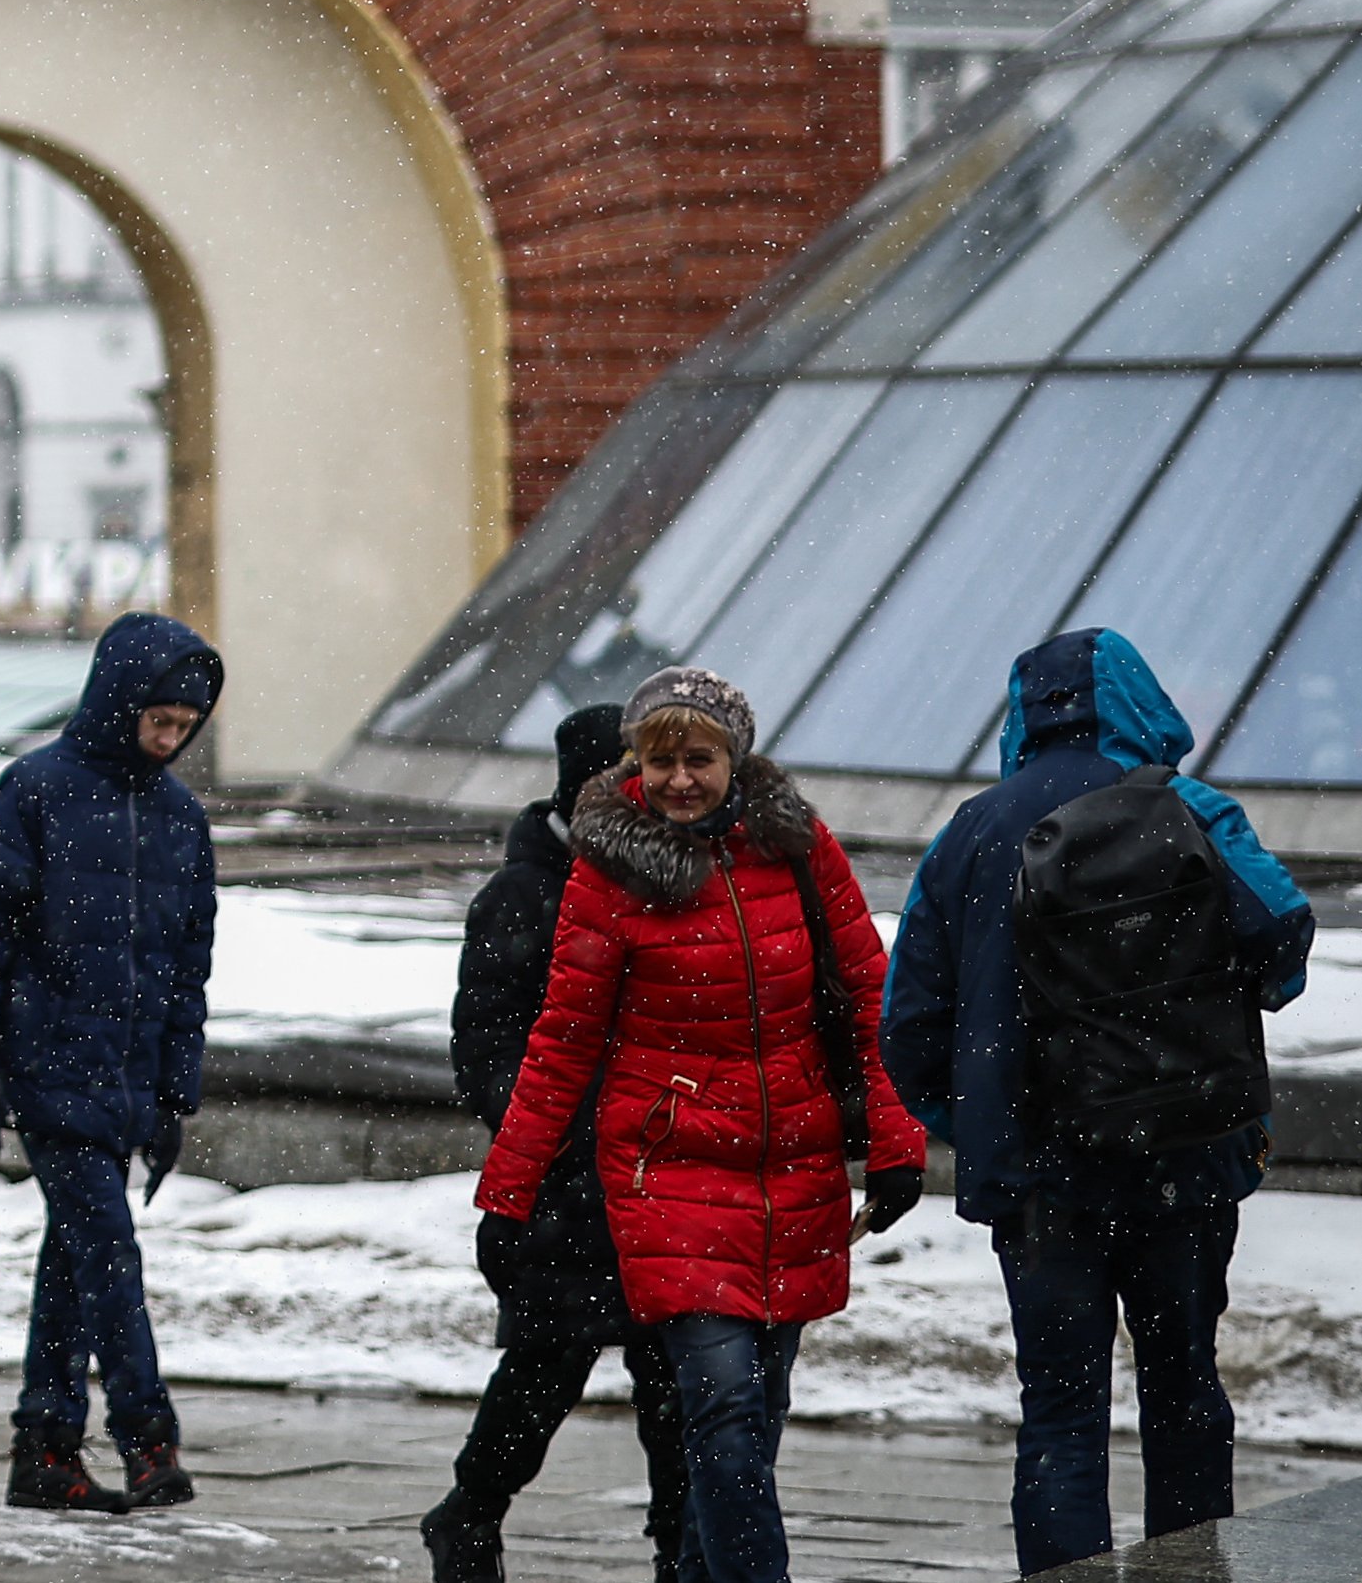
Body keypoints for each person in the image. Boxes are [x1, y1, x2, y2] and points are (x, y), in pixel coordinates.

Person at [881, 629, 1316, 1574]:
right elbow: (1280, 939)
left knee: (1060, 1415)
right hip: (1186, 1157)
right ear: (1137, 702)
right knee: (1184, 1392)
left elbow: (907, 1024)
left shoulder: (974, 830)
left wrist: (984, 1123)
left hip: (1043, 1179)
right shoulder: (1192, 810)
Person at [477, 670, 925, 1583]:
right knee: (720, 1402)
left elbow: (874, 992)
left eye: (699, 758)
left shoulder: (798, 846)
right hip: (668, 1170)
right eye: (661, 760)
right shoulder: (606, 874)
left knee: (754, 1412)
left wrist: (895, 1139)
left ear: (735, 758)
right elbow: (561, 1039)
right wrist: (508, 1189)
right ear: (634, 764)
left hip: (795, 1165)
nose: (680, 779)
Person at [0, 611, 223, 1515]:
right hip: (48, 1067)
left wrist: (174, 1095)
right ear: (117, 701)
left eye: (185, 729)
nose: (170, 742)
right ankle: (148, 1438)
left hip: (128, 1079)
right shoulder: (36, 791)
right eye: (158, 723)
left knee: (75, 1259)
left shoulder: (178, 816)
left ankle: (45, 1449)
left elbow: (184, 970)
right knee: (108, 1253)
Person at [422, 708, 685, 1583]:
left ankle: (679, 1550)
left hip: (660, 1177)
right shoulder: (521, 896)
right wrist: (562, 1135)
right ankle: (469, 1512)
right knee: (545, 1369)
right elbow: (485, 1048)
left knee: (674, 1382)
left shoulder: (667, 879)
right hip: (566, 1187)